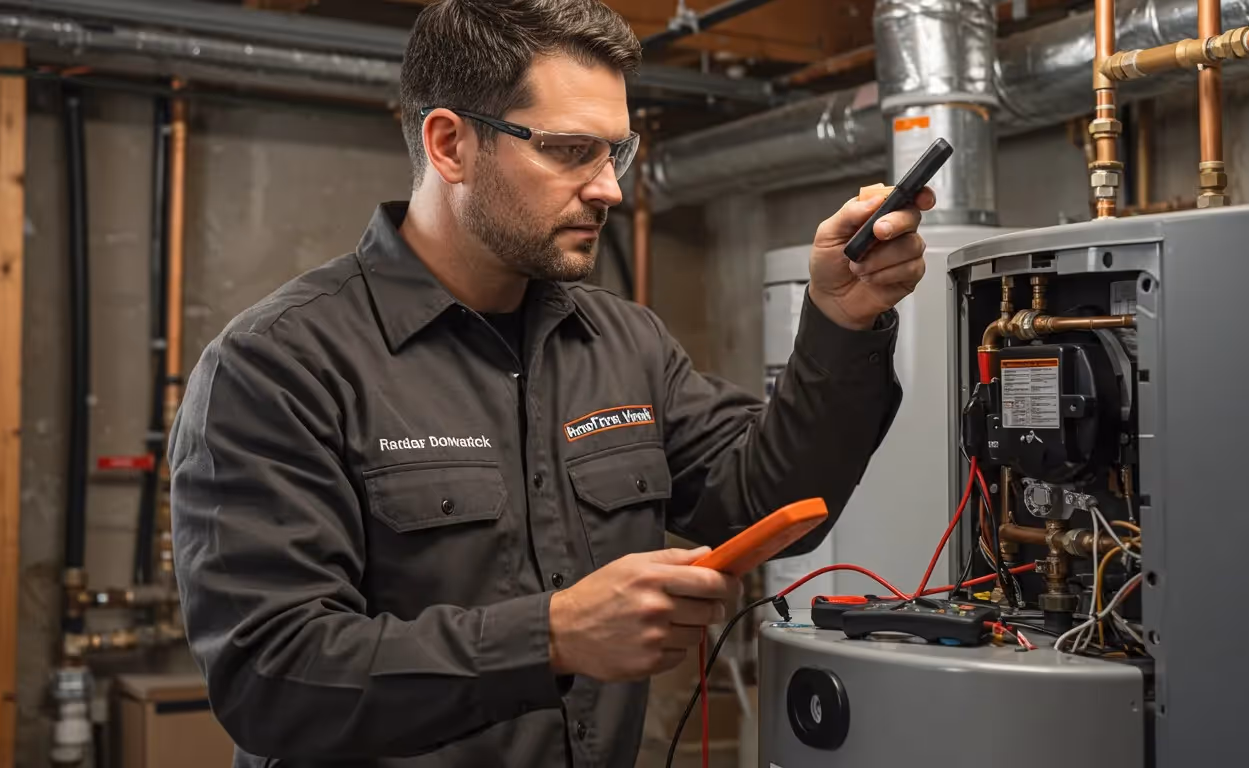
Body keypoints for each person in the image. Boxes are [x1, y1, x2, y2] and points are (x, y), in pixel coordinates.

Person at [168, 0, 933, 766]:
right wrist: (554, 637)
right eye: (571, 151)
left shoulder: (625, 343)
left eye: (615, 154)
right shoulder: (279, 366)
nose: (609, 190)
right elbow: (272, 679)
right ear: (450, 144)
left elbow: (766, 499)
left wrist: (841, 317)